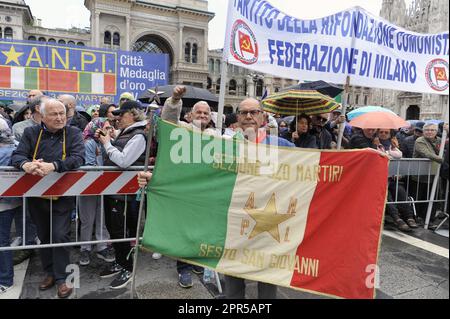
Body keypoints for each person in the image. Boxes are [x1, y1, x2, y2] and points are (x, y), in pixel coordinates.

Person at [11, 99, 85, 298]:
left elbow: (78, 158)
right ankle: (50, 272)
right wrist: (26, 165)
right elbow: (17, 156)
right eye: (54, 114)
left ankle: (63, 279)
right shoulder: (31, 133)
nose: (60, 117)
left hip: (62, 195)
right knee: (44, 236)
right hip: (37, 196)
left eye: (62, 113)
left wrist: (54, 166)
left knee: (60, 235)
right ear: (42, 116)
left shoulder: (74, 133)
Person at [96, 101, 147, 289]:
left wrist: (107, 143)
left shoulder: (139, 135)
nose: (117, 117)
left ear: (132, 115)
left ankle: (127, 267)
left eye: (121, 114)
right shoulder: (128, 132)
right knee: (114, 229)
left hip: (125, 194)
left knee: (121, 231)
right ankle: (120, 261)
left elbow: (124, 161)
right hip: (115, 191)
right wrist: (108, 138)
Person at [78, 118, 115, 266]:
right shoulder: (89, 143)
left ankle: (102, 246)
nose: (109, 130)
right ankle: (85, 248)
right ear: (97, 128)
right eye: (106, 127)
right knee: (87, 219)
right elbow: (89, 164)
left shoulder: (104, 142)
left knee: (102, 217)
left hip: (103, 186)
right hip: (89, 187)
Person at [375, 129, 417, 232]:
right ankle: (397, 219)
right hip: (379, 179)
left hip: (391, 178)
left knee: (401, 191)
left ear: (390, 135)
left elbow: (400, 156)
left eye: (386, 132)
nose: (383, 134)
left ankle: (409, 216)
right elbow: (383, 155)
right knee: (387, 196)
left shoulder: (392, 145)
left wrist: (398, 174)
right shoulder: (375, 144)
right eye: (381, 132)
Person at [0, 118, 21, 294]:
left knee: (2, 241)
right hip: (11, 200)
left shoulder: (7, 150)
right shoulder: (15, 146)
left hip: (4, 203)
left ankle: (5, 279)